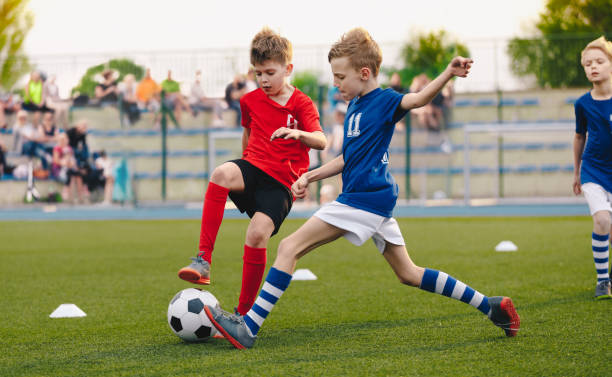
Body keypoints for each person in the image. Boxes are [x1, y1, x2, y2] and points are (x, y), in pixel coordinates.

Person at [204, 28, 520, 349]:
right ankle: (491, 306)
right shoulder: (354, 106)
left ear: (364, 73)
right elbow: (346, 159)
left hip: (362, 200)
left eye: (340, 77)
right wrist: (310, 177)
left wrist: (448, 73)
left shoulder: (385, 101)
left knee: (289, 247)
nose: (336, 84)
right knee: (408, 273)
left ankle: (249, 326)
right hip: (373, 201)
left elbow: (419, 98)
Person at [177, 27, 326, 317]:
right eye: (258, 73)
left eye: (270, 72)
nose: (263, 79)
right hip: (254, 168)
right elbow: (247, 134)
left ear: (288, 69)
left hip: (281, 184)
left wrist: (298, 135)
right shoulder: (249, 100)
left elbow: (322, 140)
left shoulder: (302, 103)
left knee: (257, 235)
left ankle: (243, 315)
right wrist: (244, 163)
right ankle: (203, 261)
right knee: (221, 173)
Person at [572, 36, 612, 300]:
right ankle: (602, 281)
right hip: (593, 170)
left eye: (599, 61)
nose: (593, 67)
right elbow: (579, 137)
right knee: (602, 220)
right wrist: (576, 172)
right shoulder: (582, 104)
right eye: (588, 63)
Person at [51, 132, 83, 203]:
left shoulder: (69, 148)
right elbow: (56, 161)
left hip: (69, 168)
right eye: (62, 139)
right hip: (59, 169)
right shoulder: (57, 148)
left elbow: (72, 160)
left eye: (65, 139)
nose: (64, 140)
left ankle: (80, 197)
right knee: (70, 174)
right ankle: (70, 197)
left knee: (78, 175)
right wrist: (65, 164)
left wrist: (70, 164)